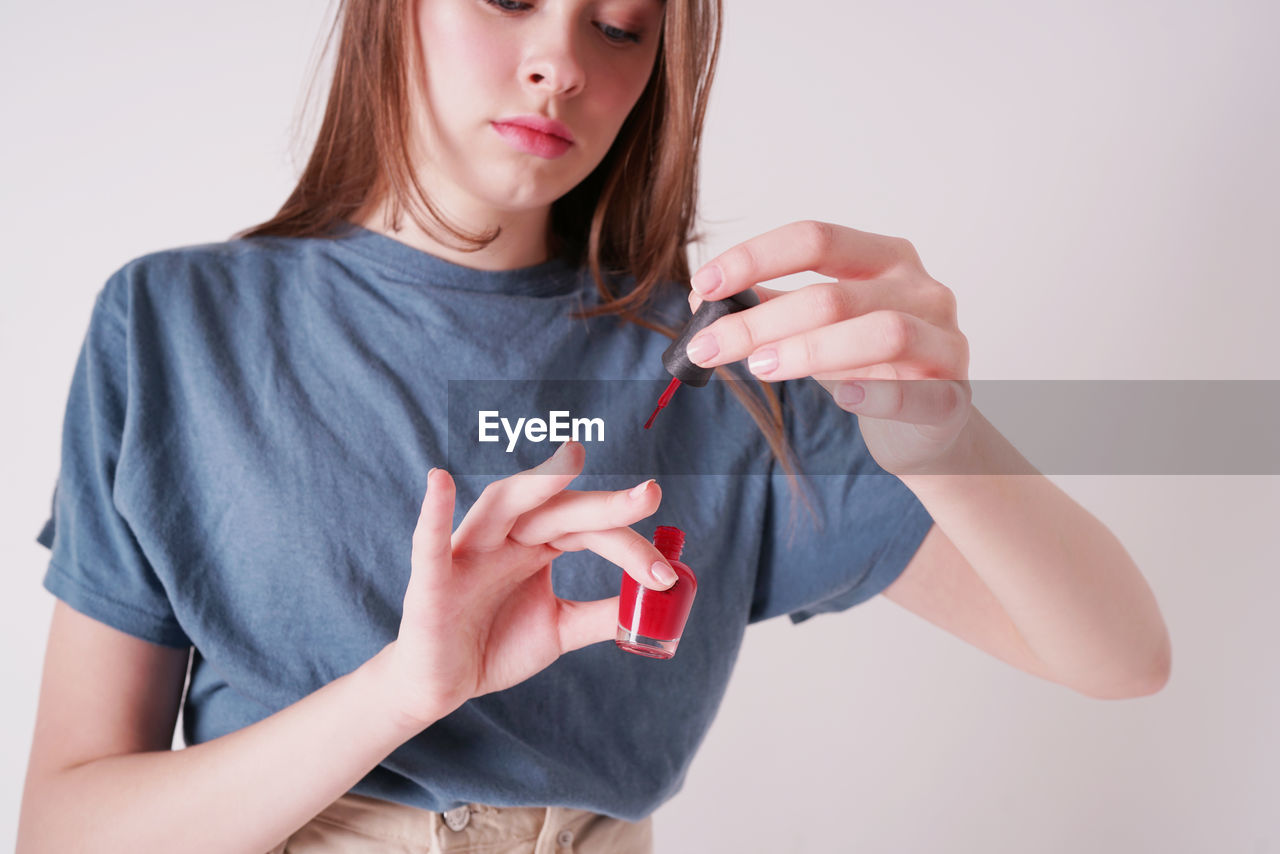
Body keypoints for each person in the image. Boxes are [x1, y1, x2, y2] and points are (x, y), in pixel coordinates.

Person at [17, 0, 1172, 851]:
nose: (558, 65)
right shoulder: (172, 323)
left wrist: (943, 440)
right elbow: (64, 826)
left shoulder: (718, 360)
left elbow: (1118, 655)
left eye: (618, 26)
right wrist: (408, 687)